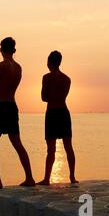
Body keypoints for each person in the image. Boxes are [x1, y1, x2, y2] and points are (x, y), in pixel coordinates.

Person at [0, 37, 35, 189]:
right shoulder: (19, 68)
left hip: (0, 106)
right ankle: (29, 177)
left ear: (1, 50)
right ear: (14, 50)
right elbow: (11, 87)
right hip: (12, 106)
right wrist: (4, 86)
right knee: (17, 143)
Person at [37, 51, 79, 185]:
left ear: (49, 63)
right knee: (68, 147)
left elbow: (44, 97)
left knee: (51, 149)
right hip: (64, 112)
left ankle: (46, 178)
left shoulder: (46, 78)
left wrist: (51, 94)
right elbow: (63, 96)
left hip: (52, 113)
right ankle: (72, 177)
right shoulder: (67, 79)